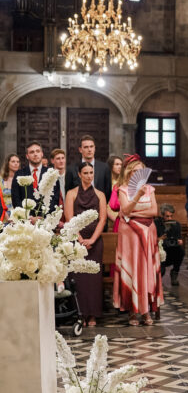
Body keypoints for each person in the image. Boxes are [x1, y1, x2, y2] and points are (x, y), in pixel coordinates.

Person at [114, 154, 163, 326]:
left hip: (148, 232)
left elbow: (154, 211)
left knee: (146, 270)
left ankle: (146, 311)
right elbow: (125, 209)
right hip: (130, 236)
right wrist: (136, 197)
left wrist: (133, 214)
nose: (137, 174)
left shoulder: (150, 189)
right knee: (133, 268)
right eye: (134, 171)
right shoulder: (123, 189)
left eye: (140, 171)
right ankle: (132, 312)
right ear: (128, 173)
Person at [64, 163, 107, 328]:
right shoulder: (71, 194)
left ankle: (93, 315)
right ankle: (79, 313)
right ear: (80, 174)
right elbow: (69, 218)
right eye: (86, 173)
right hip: (76, 242)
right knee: (78, 279)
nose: (89, 176)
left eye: (91, 173)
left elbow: (102, 219)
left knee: (94, 280)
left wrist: (93, 240)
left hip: (95, 243)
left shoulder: (100, 194)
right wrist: (80, 239)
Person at [11, 141, 60, 213]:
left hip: (45, 219)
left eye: (38, 151)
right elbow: (16, 199)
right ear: (27, 156)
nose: (35, 154)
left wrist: (42, 216)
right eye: (32, 152)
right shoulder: (19, 174)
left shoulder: (51, 174)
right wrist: (28, 217)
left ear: (42, 154)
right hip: (26, 219)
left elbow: (55, 198)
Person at [65, 134, 111, 201]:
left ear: (94, 148)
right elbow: (68, 191)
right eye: (86, 147)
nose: (89, 150)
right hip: (78, 207)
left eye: (91, 146)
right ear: (80, 149)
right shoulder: (71, 169)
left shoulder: (104, 168)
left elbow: (108, 191)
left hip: (99, 206)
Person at [155, 203, 184, 286]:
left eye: (171, 216)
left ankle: (174, 273)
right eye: (167, 216)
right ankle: (158, 277)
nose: (169, 218)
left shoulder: (176, 224)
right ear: (162, 215)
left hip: (172, 250)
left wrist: (179, 241)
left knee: (181, 251)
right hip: (160, 250)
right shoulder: (156, 223)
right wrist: (160, 239)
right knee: (162, 271)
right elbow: (151, 239)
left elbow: (179, 238)